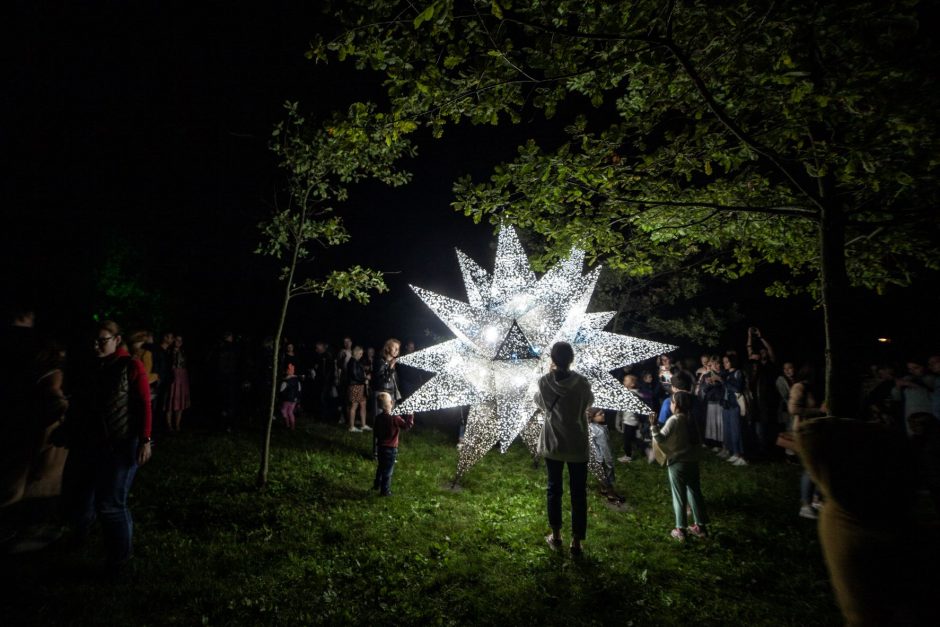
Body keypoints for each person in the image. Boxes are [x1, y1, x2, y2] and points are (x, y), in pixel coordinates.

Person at [63, 320, 152, 573]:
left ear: (117, 340)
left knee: (111, 504)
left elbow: (144, 404)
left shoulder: (130, 366)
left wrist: (145, 440)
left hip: (122, 444)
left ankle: (120, 560)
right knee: (82, 497)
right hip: (92, 444)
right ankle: (79, 538)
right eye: (94, 340)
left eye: (102, 340)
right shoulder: (93, 367)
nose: (96, 345)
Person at [534, 341, 594, 557]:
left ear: (552, 359)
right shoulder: (583, 383)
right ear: (572, 359)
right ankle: (576, 542)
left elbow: (539, 403)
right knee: (579, 493)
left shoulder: (544, 382)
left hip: (554, 444)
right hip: (577, 444)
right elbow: (589, 403)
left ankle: (557, 535)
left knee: (554, 489)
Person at [651, 391, 709, 541]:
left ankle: (680, 530)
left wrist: (653, 426)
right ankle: (701, 527)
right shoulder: (691, 419)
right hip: (692, 460)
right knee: (695, 493)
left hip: (678, 462)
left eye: (671, 402)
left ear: (675, 404)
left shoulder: (675, 420)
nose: (670, 404)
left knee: (679, 496)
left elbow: (660, 438)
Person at [372, 392, 414, 496]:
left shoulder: (378, 418)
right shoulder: (395, 418)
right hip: (390, 449)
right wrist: (410, 414)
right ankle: (385, 491)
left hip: (381, 447)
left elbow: (376, 433)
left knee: (381, 467)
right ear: (391, 402)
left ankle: (377, 484)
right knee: (388, 471)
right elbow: (407, 426)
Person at [721, 354, 747, 466]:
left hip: (735, 405)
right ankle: (734, 453)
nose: (724, 364)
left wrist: (722, 381)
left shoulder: (738, 373)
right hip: (727, 405)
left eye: (727, 361)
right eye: (724, 362)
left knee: (736, 430)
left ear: (733, 362)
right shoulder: (726, 373)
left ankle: (741, 455)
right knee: (729, 430)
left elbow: (737, 388)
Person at [587, 407, 617, 500]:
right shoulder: (600, 431)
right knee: (606, 475)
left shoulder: (588, 426)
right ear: (593, 417)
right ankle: (611, 494)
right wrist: (609, 462)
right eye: (600, 414)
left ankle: (603, 489)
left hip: (592, 457)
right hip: (601, 458)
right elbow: (605, 448)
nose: (603, 415)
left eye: (603, 413)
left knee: (600, 474)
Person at [615, 374, 645, 463]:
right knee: (634, 438)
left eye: (626, 380)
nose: (624, 382)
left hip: (630, 421)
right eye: (624, 380)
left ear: (632, 384)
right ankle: (646, 450)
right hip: (631, 420)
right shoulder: (633, 393)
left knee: (627, 440)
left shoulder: (631, 394)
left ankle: (628, 456)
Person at [164, 334, 191, 432]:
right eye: (177, 340)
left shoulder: (184, 352)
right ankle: (169, 425)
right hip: (172, 377)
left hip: (182, 377)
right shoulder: (169, 351)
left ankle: (177, 425)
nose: (178, 342)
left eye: (180, 340)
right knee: (170, 402)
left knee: (180, 402)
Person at [346, 346, 370, 432]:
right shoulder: (352, 362)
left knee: (363, 404)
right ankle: (351, 427)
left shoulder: (356, 362)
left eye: (362, 353)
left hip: (360, 386)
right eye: (360, 353)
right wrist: (365, 378)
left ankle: (363, 425)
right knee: (354, 406)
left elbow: (358, 373)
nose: (361, 355)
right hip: (355, 386)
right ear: (356, 353)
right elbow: (355, 375)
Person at [278, 363, 301, 430]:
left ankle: (287, 424)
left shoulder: (285, 381)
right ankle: (292, 426)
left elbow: (281, 390)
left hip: (287, 399)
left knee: (283, 410)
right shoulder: (297, 381)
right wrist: (298, 398)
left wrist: (280, 397)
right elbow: (299, 390)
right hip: (294, 400)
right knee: (290, 411)